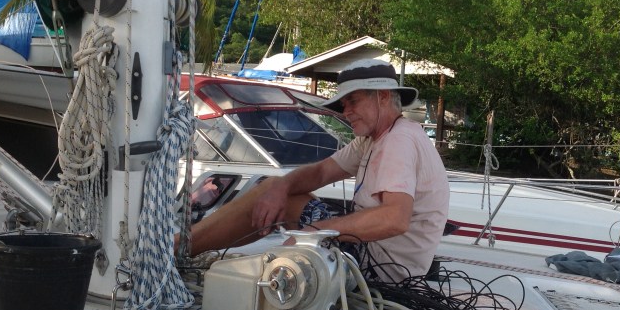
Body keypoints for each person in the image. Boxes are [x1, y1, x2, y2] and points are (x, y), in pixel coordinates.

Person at [181, 58, 450, 282]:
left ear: (382, 96)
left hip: (379, 271)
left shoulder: (399, 140)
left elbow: (395, 219)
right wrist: (281, 187)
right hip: (378, 260)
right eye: (343, 105)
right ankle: (184, 246)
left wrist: (318, 230)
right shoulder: (376, 138)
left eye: (353, 101)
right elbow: (321, 173)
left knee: (278, 194)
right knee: (276, 188)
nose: (346, 112)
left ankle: (179, 247)